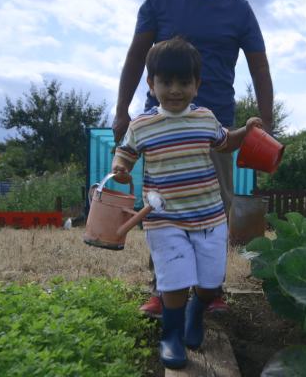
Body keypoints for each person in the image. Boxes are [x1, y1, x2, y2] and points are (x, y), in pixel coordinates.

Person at [113, 0, 274, 317]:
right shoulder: (160, 2)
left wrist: (265, 121)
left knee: (213, 207)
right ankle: (163, 288)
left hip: (213, 125)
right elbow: (136, 56)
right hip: (162, 125)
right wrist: (121, 110)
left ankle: (210, 291)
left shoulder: (238, 8)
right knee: (162, 207)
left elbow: (259, 65)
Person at [112, 36, 263, 369]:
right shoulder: (142, 125)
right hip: (164, 218)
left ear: (197, 85)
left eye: (184, 82)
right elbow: (125, 154)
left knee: (210, 282)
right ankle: (171, 333)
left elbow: (225, 143)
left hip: (209, 217)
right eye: (166, 82)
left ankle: (197, 311)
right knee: (175, 280)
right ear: (152, 84)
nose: (175, 90)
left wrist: (246, 129)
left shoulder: (205, 118)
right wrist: (120, 168)